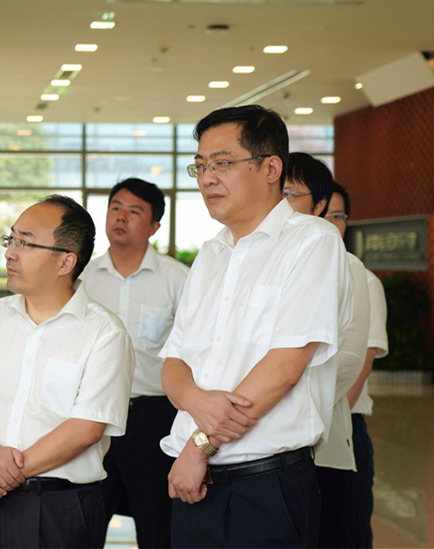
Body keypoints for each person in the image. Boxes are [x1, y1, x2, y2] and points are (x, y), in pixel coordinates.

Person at [160, 105, 353, 548]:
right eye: (200, 166)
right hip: (192, 483)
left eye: (222, 163)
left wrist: (199, 445)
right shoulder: (210, 254)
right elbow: (174, 362)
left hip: (265, 486)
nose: (207, 178)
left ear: (270, 168)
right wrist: (193, 399)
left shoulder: (312, 242)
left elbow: (283, 368)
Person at [0, 195, 134, 548]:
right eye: (10, 239)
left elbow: (85, 429)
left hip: (58, 508)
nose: (9, 253)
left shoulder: (104, 333)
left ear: (66, 261)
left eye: (25, 243)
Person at [79, 178, 188, 547]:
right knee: (85, 522)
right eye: (115, 207)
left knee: (157, 526)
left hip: (153, 419)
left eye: (134, 211)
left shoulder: (178, 280)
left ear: (154, 226)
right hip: (91, 417)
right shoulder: (81, 278)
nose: (121, 217)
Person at [284, 153, 370, 548]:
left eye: (290, 194)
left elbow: (349, 361)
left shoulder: (347, 266)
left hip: (321, 446)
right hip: (257, 450)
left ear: (318, 204)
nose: (279, 202)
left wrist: (280, 408)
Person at [327, 181, 389, 548]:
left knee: (349, 535)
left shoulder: (363, 279)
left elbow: (359, 368)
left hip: (344, 426)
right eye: (325, 214)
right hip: (304, 436)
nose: (332, 224)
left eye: (339, 216)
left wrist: (320, 424)